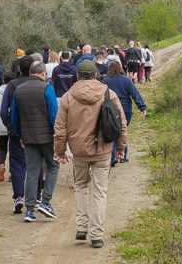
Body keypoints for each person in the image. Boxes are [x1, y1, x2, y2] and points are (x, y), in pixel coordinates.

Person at [54, 61, 127, 249]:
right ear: (96, 74)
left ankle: (81, 227)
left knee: (80, 186)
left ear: (78, 76)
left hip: (79, 151)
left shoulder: (68, 97)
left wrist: (60, 151)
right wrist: (120, 148)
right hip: (103, 150)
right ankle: (97, 235)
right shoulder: (109, 94)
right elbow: (121, 124)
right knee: (100, 192)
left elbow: (60, 128)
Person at [11, 62, 60, 222]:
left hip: (28, 137)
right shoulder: (47, 88)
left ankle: (30, 210)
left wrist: (20, 135)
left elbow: (14, 116)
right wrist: (57, 134)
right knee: (53, 166)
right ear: (43, 74)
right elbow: (54, 114)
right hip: (47, 137)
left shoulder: (19, 90)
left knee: (32, 172)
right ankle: (45, 201)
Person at [0, 55, 37, 214]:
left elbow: (3, 111)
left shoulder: (12, 85)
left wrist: (11, 128)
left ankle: (19, 196)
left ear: (18, 69)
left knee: (17, 164)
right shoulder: (42, 84)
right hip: (37, 131)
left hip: (17, 132)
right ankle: (35, 197)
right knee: (36, 164)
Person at [101, 61, 147, 166]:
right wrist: (142, 107)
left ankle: (112, 155)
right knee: (122, 130)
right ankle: (123, 156)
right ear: (120, 68)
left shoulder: (105, 81)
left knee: (111, 131)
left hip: (110, 110)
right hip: (126, 109)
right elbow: (135, 94)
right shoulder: (126, 80)